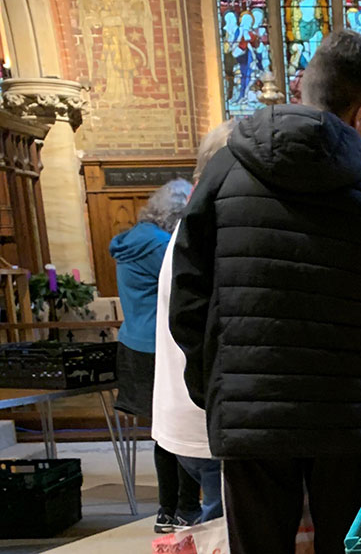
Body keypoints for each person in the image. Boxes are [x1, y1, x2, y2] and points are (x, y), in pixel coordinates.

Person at [170, 30, 361, 554]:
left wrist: (218, 389)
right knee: (348, 547)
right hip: (346, 420)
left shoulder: (224, 170)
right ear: (359, 114)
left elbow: (188, 297)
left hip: (250, 417)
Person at [151, 120, 237, 524]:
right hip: (206, 421)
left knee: (220, 523)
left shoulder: (192, 227)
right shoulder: (210, 230)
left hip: (192, 417)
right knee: (225, 530)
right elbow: (198, 327)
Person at [109, 178, 199, 533]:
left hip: (133, 342)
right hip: (161, 347)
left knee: (162, 433)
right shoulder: (162, 245)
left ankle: (167, 510)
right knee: (181, 430)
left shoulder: (131, 240)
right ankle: (185, 509)